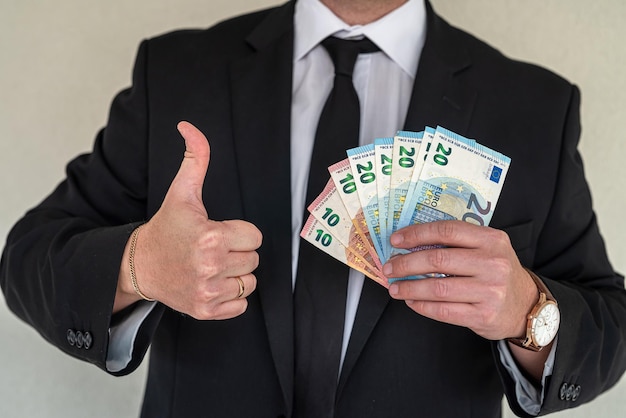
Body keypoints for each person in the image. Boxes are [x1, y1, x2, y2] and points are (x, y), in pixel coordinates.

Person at [1, 0, 625, 417]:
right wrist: (137, 266)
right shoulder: (177, 71)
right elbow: (28, 257)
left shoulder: (535, 106)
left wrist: (527, 311)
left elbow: (611, 324)